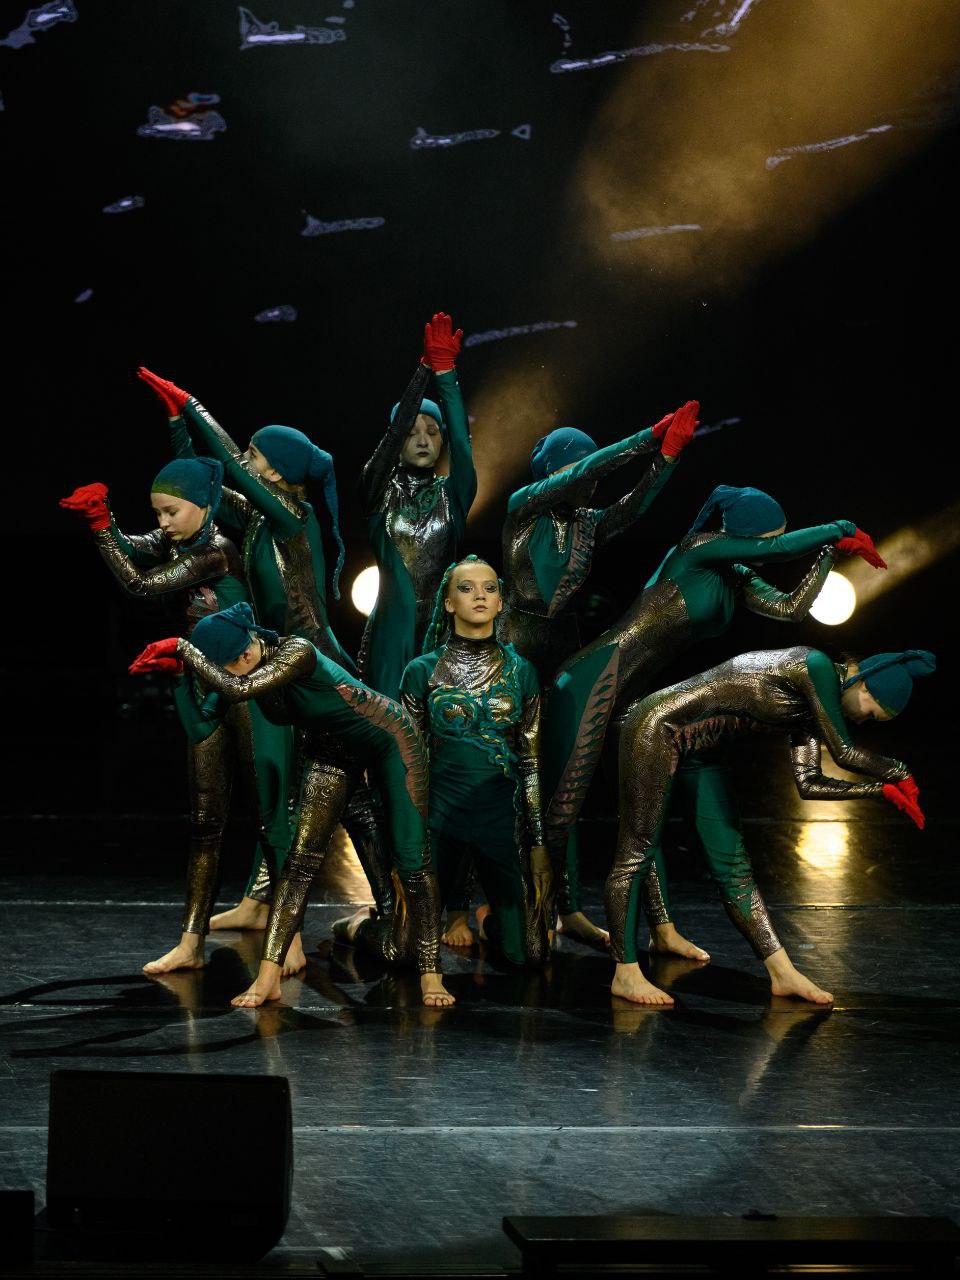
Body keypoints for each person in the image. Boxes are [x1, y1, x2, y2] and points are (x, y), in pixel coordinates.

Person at [542, 485, 886, 959]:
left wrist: (828, 553)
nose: (772, 544)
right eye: (768, 536)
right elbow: (781, 549)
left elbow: (791, 609)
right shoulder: (697, 548)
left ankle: (661, 929)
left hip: (633, 694)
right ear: (746, 533)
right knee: (561, 812)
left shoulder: (737, 574)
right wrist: (837, 528)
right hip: (591, 681)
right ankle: (542, 911)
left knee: (641, 818)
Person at [137, 367, 393, 937]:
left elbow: (226, 463)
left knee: (346, 795)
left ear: (275, 470)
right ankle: (261, 902)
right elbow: (198, 485)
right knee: (278, 787)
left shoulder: (291, 517)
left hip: (313, 664)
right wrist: (177, 422)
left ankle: (394, 907)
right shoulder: (257, 518)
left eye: (255, 456)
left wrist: (192, 403)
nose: (246, 462)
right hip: (278, 661)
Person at [130, 602, 453, 1008]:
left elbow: (237, 689)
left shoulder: (295, 651)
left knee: (411, 858)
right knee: (300, 861)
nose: (226, 674)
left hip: (389, 739)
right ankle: (269, 979)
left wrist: (183, 648)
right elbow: (200, 728)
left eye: (226, 665)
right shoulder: (239, 674)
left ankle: (431, 973)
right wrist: (180, 677)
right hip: (330, 748)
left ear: (246, 654)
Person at [59, 461, 293, 974]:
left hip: (248, 686)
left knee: (267, 815)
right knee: (206, 822)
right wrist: (107, 519)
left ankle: (288, 938)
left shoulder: (216, 551)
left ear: (204, 507)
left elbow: (140, 584)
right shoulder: (175, 541)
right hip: (202, 683)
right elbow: (134, 548)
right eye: (158, 513)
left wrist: (100, 526)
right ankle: (191, 943)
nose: (163, 523)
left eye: (171, 511)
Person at [607, 646, 933, 1006]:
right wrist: (900, 773)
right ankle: (625, 973)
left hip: (703, 751)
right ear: (864, 685)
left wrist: (880, 791)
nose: (862, 720)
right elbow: (844, 752)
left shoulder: (814, 707)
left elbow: (810, 783)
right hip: (659, 727)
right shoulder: (816, 667)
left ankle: (782, 973)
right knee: (637, 852)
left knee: (733, 864)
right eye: (871, 714)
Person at [495, 402, 699, 947]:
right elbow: (586, 470)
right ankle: (491, 903)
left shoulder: (587, 523)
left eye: (588, 470)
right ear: (552, 470)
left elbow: (633, 506)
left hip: (565, 651)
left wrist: (667, 458)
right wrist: (645, 436)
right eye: (575, 468)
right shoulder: (524, 506)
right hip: (514, 649)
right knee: (507, 779)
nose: (586, 481)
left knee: (566, 784)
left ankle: (566, 907)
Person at [399, 556, 551, 966]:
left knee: (530, 956)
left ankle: (487, 920)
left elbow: (531, 761)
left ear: (500, 602)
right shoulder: (421, 671)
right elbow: (408, 761)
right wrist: (408, 834)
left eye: (489, 588)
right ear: (448, 603)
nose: (480, 596)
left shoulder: (521, 672)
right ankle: (356, 925)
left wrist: (537, 842)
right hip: (439, 816)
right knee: (407, 951)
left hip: (500, 818)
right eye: (466, 589)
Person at [358, 312, 476, 702]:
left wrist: (446, 374)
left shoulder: (452, 494)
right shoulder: (378, 492)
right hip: (390, 635)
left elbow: (463, 445)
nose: (423, 440)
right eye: (412, 433)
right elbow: (390, 440)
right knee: (389, 726)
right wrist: (424, 370)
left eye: (432, 432)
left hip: (444, 635)